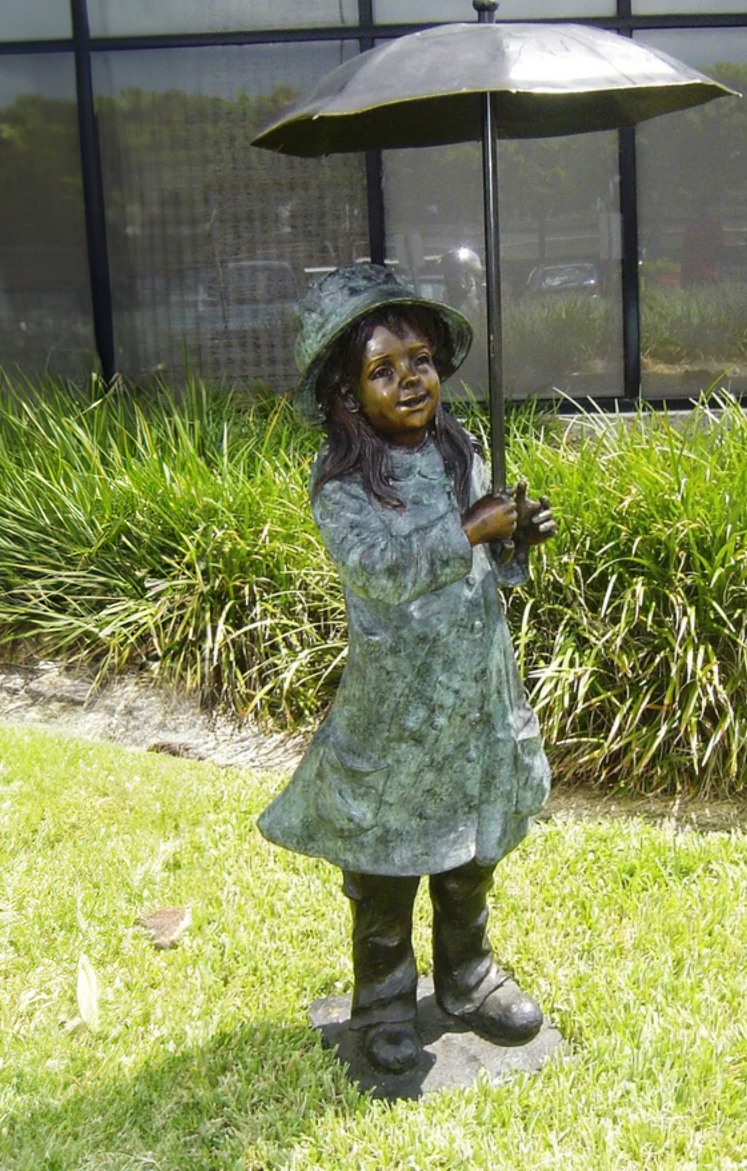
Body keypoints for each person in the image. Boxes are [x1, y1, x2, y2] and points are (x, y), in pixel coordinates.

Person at [258, 263, 556, 1075]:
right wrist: (469, 528)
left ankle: (468, 977)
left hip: (474, 699)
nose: (409, 380)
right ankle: (385, 1000)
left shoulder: (463, 453)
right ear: (348, 395)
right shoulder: (343, 485)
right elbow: (385, 571)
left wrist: (513, 540)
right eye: (382, 370)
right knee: (385, 871)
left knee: (470, 857)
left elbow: (486, 569)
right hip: (395, 711)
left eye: (419, 359)